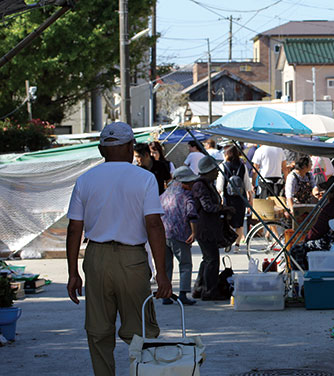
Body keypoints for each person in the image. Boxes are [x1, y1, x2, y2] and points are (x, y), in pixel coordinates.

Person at [66, 122, 172, 376]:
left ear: (102, 149)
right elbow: (154, 226)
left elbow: (74, 229)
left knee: (98, 331)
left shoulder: (85, 180)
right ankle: (142, 372)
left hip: (97, 258)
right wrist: (162, 272)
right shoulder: (145, 179)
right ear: (128, 148)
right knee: (141, 332)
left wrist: (72, 272)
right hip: (132, 260)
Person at [191, 156, 235, 300]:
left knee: (207, 258)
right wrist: (223, 208)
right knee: (212, 259)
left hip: (209, 226)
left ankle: (200, 287)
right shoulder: (201, 185)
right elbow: (207, 207)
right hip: (204, 227)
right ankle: (209, 290)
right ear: (208, 171)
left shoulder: (207, 184)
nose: (217, 172)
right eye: (215, 169)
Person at [160, 166, 199, 306]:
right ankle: (183, 293)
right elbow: (192, 214)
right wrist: (194, 232)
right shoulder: (186, 195)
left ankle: (165, 294)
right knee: (185, 264)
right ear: (185, 182)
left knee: (166, 266)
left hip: (163, 234)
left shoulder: (165, 194)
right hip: (180, 234)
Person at [216, 145, 253, 253]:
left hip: (228, 198)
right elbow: (247, 183)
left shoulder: (223, 166)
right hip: (240, 198)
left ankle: (228, 242)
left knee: (228, 222)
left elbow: (219, 185)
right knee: (239, 223)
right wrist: (250, 198)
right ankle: (237, 246)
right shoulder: (242, 166)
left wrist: (219, 197)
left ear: (227, 154)